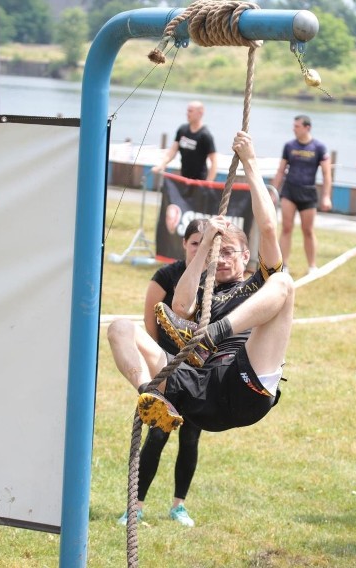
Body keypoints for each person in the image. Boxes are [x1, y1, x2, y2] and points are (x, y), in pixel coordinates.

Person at [108, 131, 292, 436]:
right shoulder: (205, 292)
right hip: (199, 393)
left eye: (229, 253)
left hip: (248, 381)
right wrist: (206, 244)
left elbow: (269, 228)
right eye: (217, 255)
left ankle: (214, 333)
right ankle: (151, 397)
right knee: (119, 328)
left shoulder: (260, 281)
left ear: (246, 255)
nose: (221, 260)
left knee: (284, 282)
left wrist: (250, 163)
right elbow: (180, 306)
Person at [115, 219, 207, 527]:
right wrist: (158, 366)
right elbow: (149, 321)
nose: (199, 248)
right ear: (184, 244)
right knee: (157, 434)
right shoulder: (166, 276)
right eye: (194, 242)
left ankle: (178, 505)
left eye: (204, 243)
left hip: (199, 372)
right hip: (167, 364)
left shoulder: (213, 279)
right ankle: (135, 506)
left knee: (191, 438)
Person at [271, 115, 333, 273]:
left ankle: (312, 266)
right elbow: (280, 171)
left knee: (308, 230)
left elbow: (327, 174)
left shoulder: (319, 147)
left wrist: (326, 196)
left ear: (307, 128)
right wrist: (273, 192)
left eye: (297, 126)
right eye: (294, 126)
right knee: (286, 227)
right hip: (289, 191)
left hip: (308, 193)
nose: (294, 129)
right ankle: (283, 265)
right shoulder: (289, 146)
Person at [152, 101, 218, 181]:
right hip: (184, 178)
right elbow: (173, 151)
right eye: (187, 111)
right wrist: (162, 165)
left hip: (199, 181)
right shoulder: (182, 130)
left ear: (200, 113)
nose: (187, 113)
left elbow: (214, 161)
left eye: (190, 111)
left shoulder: (205, 135)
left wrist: (208, 183)